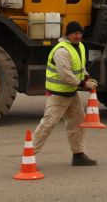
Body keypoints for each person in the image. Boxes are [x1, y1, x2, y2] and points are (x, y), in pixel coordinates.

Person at [32, 21, 98, 166]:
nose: (78, 36)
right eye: (75, 33)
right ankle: (29, 155)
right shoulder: (61, 51)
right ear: (68, 34)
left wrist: (87, 77)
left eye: (80, 33)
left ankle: (78, 155)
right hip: (58, 96)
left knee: (79, 123)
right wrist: (84, 84)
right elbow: (66, 75)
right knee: (47, 125)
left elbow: (80, 67)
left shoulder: (79, 46)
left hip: (71, 94)